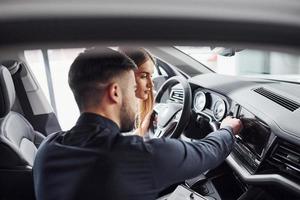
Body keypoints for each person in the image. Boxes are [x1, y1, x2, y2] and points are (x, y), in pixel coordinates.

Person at [33, 47, 242, 200]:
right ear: (115, 92)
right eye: (133, 88)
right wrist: (227, 129)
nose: (137, 99)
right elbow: (206, 153)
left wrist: (141, 132)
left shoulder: (47, 149)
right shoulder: (137, 156)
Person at [119, 47, 155, 137]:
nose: (151, 85)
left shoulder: (154, 101)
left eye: (151, 76)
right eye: (143, 76)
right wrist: (141, 131)